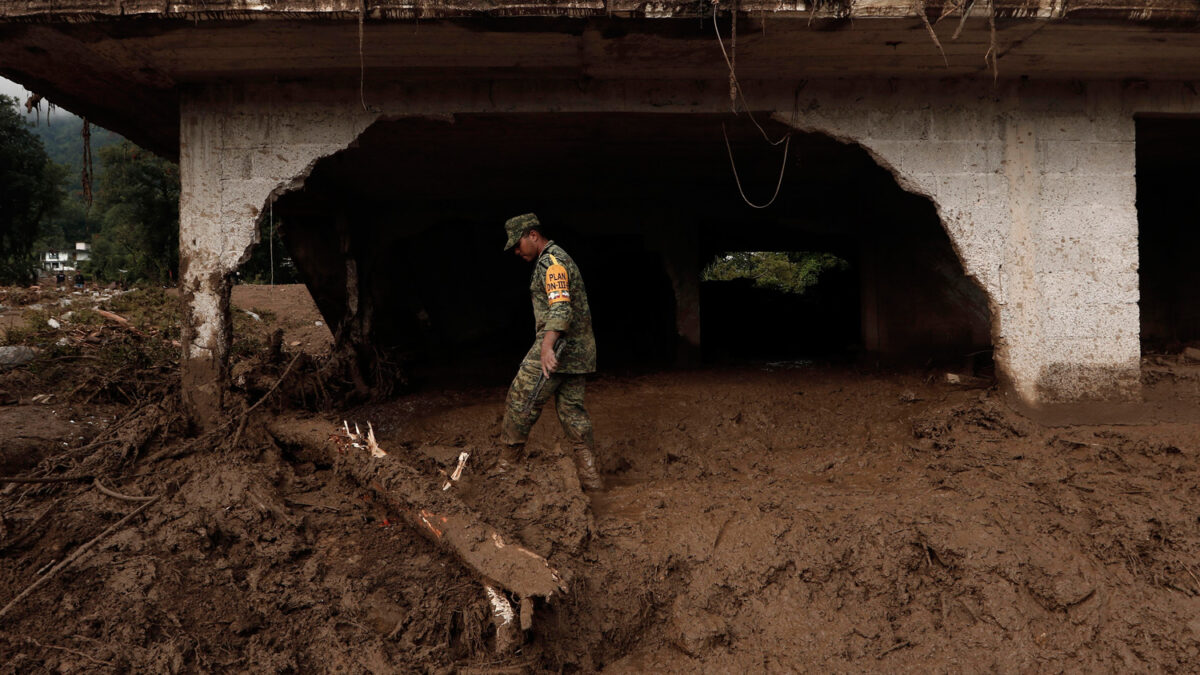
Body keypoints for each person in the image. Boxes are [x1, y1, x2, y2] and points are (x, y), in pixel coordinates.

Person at [499, 213, 602, 490]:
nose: (517, 251)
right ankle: (591, 481)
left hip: (557, 347)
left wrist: (546, 347)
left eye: (518, 244)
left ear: (533, 235)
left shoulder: (552, 262)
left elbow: (561, 308)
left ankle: (506, 473)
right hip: (577, 354)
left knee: (520, 402)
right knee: (573, 414)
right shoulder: (557, 259)